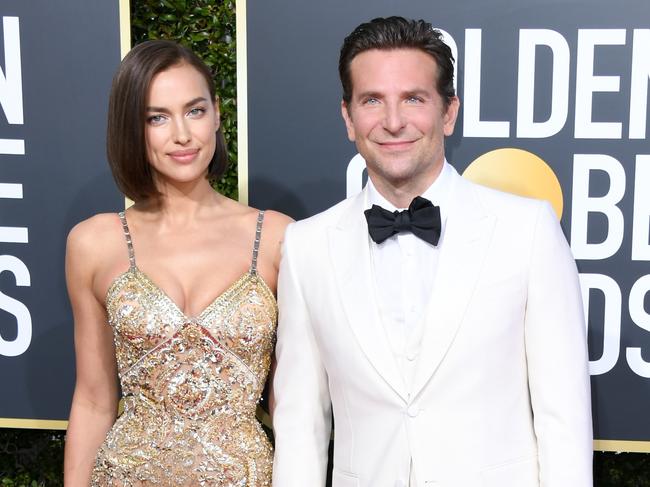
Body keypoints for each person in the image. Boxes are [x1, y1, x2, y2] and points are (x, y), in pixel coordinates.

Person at [272, 16, 592, 487]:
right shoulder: (306, 247)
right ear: (348, 117)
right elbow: (301, 425)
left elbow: (563, 417)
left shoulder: (528, 230)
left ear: (448, 112)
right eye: (372, 100)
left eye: (414, 99)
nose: (393, 121)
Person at [63, 40, 290, 486]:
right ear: (133, 127)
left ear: (218, 113)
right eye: (157, 118)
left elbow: (292, 402)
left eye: (195, 110)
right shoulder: (94, 242)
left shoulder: (278, 238)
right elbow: (93, 400)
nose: (182, 134)